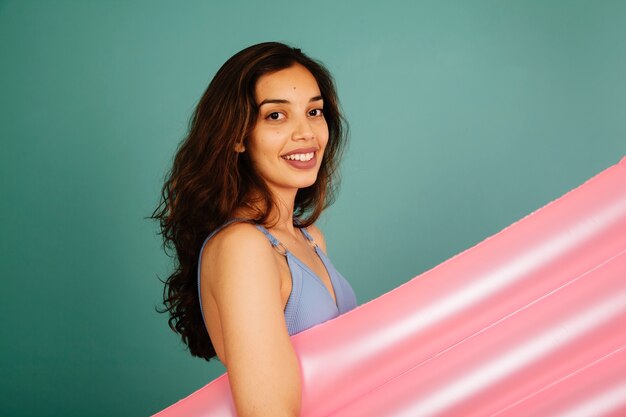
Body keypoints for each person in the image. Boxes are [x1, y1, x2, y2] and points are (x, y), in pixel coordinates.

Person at [152, 42, 357, 416]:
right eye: (276, 116)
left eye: (314, 111)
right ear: (236, 136)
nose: (306, 133)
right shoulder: (242, 247)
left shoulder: (309, 237)